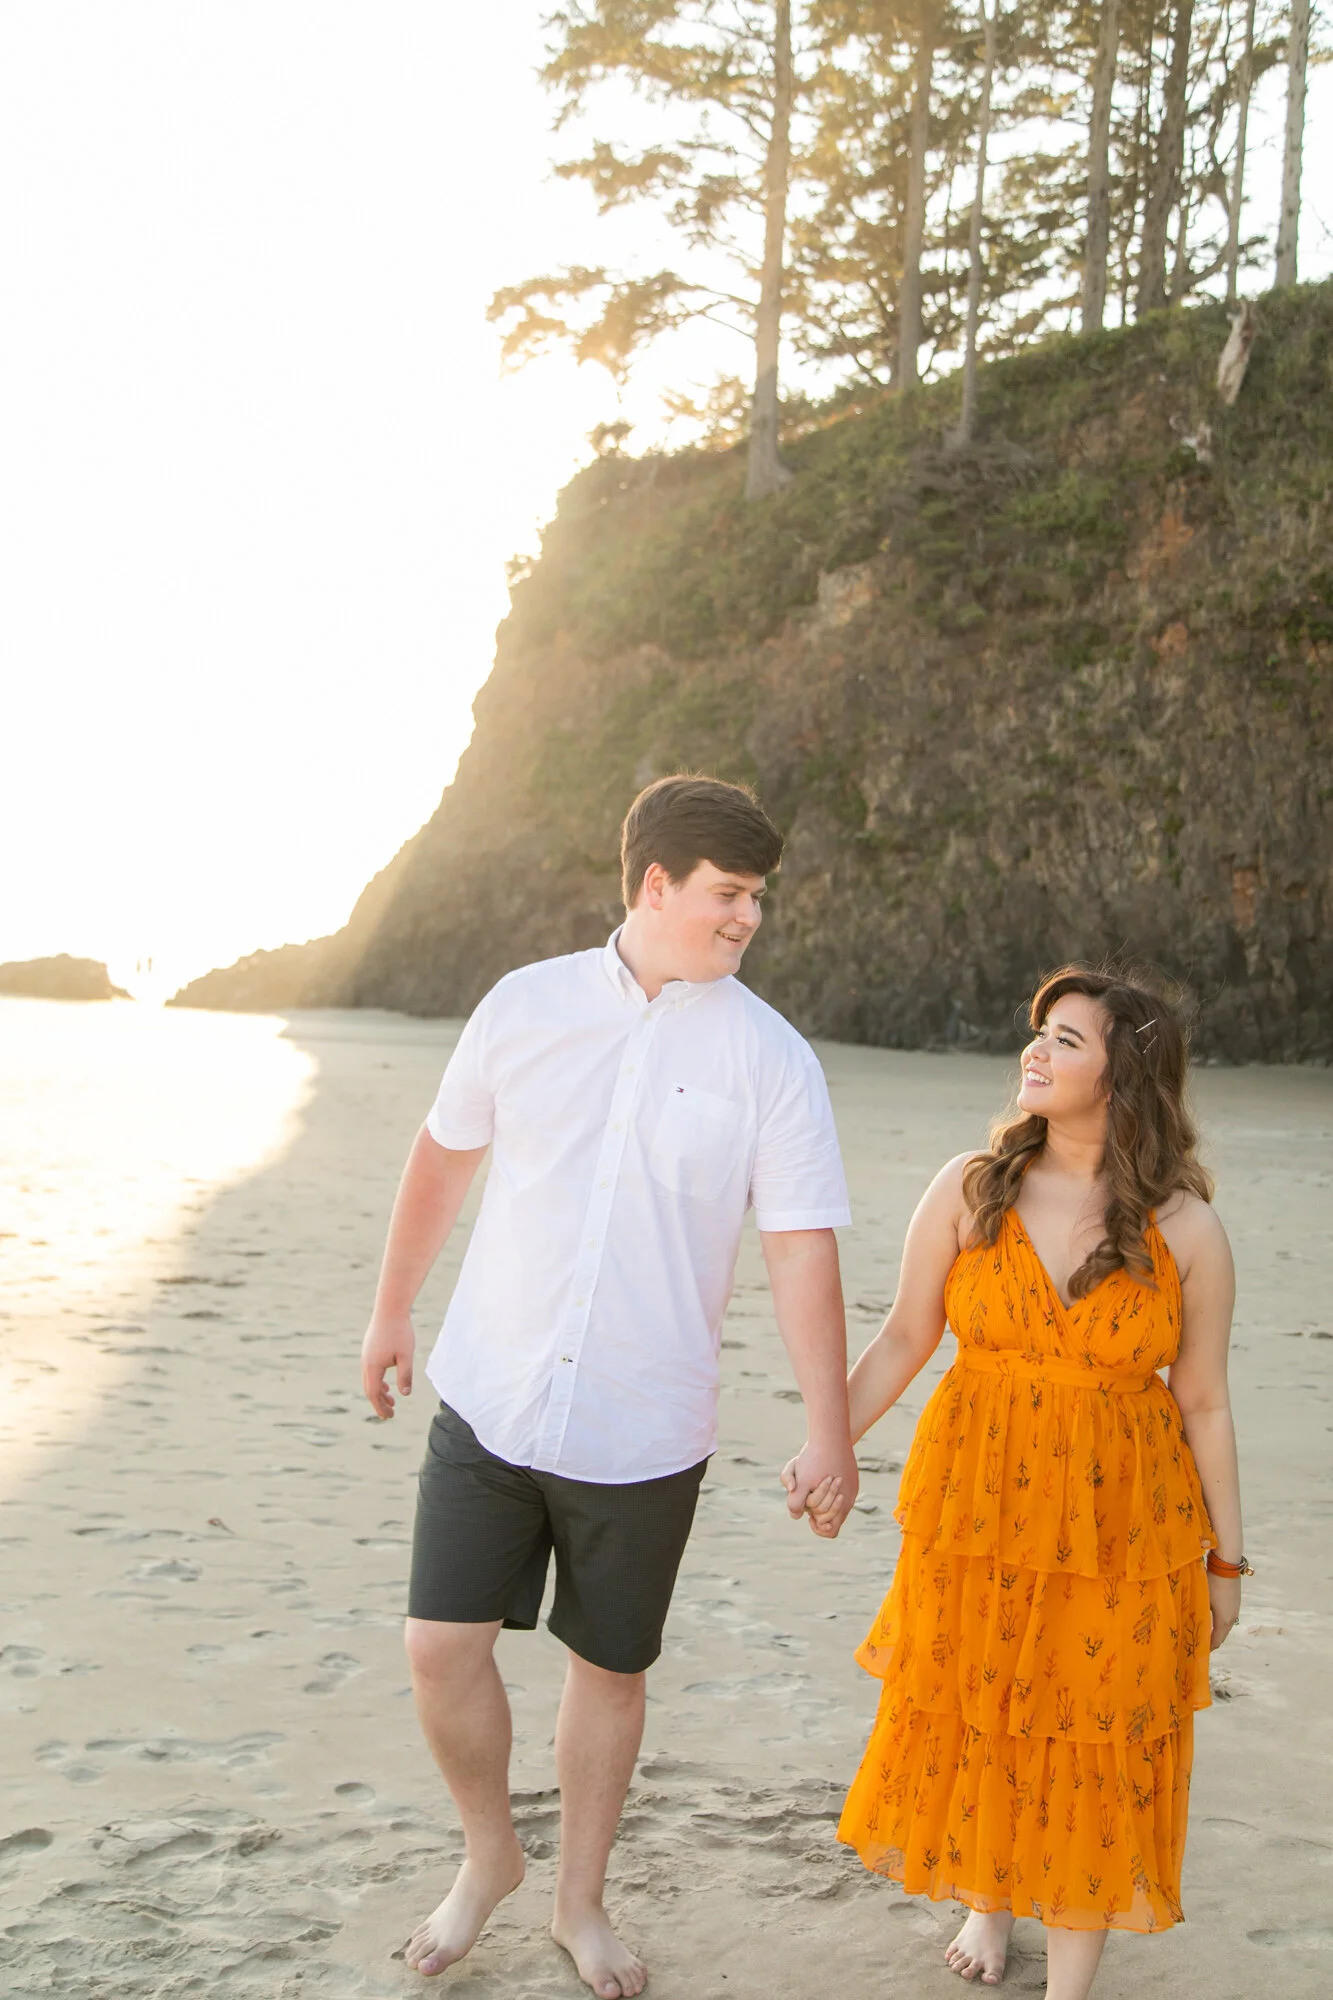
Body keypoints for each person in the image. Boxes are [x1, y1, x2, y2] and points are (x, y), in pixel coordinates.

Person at [360, 775, 857, 1998]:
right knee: (437, 1645)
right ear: (655, 884)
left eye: (756, 899)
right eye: (729, 894)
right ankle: (491, 1857)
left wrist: (829, 1425)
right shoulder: (524, 1006)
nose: (748, 919)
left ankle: (580, 1898)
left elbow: (801, 1246)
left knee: (610, 1671)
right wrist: (390, 1307)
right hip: (493, 1388)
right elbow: (444, 1154)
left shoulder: (771, 1058)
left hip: (645, 1422)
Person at [793, 965, 1244, 2000]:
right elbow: (906, 1334)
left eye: (1067, 1039)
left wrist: (1224, 1559)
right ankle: (988, 1899)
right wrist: (829, 1443)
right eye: (1037, 1032)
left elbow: (1205, 1402)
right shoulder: (970, 1184)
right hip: (977, 1511)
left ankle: (1069, 1984)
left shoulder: (1184, 1229)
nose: (1034, 1050)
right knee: (992, 1707)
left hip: (1126, 1524)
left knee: (1096, 1730)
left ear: (1125, 1073)